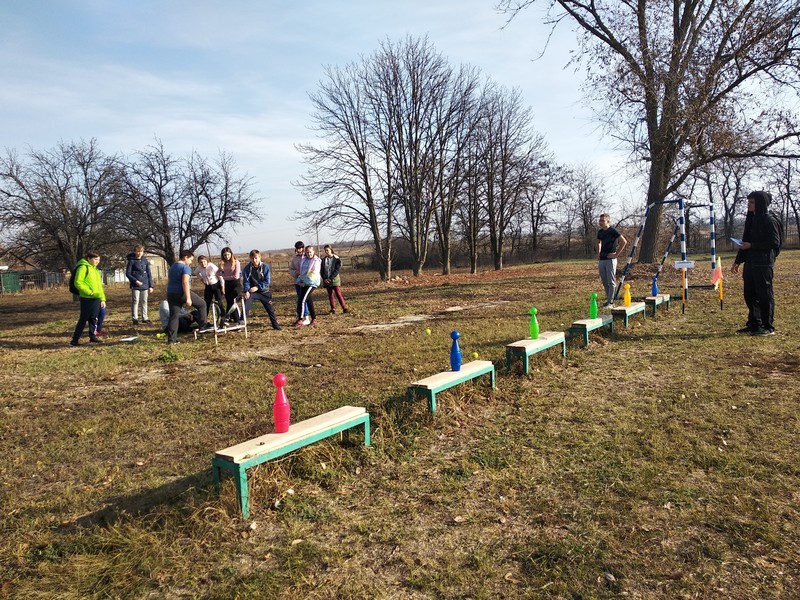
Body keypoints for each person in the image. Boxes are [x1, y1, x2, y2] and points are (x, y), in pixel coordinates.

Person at [731, 191, 781, 336]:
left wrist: (752, 245)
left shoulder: (769, 220)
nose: (749, 205)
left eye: (752, 202)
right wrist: (738, 261)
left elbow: (774, 242)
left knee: (764, 295)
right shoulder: (751, 219)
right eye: (748, 202)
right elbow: (745, 241)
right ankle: (754, 323)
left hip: (763, 263)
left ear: (760, 203)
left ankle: (767, 326)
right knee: (750, 294)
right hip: (751, 261)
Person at [166, 249, 208, 344]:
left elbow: (170, 280)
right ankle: (203, 328)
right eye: (190, 260)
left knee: (174, 316)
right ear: (185, 258)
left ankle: (171, 340)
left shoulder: (172, 267)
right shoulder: (185, 267)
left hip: (171, 293)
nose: (191, 262)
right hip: (181, 292)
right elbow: (185, 282)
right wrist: (188, 298)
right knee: (202, 304)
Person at [70, 251, 106, 346]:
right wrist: (89, 292)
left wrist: (102, 299)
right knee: (83, 319)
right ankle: (74, 340)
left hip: (97, 298)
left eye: (98, 259)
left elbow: (99, 286)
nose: (97, 261)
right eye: (95, 259)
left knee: (94, 318)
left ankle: (92, 337)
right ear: (89, 259)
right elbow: (78, 282)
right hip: (87, 298)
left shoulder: (95, 270)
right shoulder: (83, 267)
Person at [242, 249, 282, 330]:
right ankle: (242, 320)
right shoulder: (247, 268)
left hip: (264, 291)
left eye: (256, 258)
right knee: (247, 300)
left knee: (270, 309)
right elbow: (246, 281)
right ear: (250, 258)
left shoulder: (265, 267)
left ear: (259, 257)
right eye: (252, 258)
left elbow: (267, 281)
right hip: (252, 292)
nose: (254, 260)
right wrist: (246, 291)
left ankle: (275, 325)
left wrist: (258, 287)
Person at [596, 213, 628, 308]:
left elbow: (623, 241)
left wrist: (616, 254)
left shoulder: (613, 231)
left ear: (608, 221)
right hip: (602, 259)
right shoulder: (600, 232)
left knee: (611, 281)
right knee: (604, 281)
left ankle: (611, 302)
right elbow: (598, 242)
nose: (601, 222)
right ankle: (608, 300)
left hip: (610, 259)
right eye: (600, 220)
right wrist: (598, 253)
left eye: (603, 221)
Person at [125, 244, 154, 325]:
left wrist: (151, 286)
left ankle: (145, 318)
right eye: (138, 251)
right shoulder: (131, 261)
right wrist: (135, 281)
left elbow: (149, 273)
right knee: (135, 301)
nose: (139, 253)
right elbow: (128, 273)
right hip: (136, 285)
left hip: (145, 284)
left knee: (144, 301)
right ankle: (135, 319)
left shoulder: (145, 261)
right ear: (135, 252)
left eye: (141, 251)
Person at [295, 245, 321, 326]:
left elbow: (313, 274)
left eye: (310, 252)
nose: (309, 254)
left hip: (312, 283)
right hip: (303, 282)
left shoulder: (316, 261)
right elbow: (302, 272)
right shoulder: (304, 260)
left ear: (313, 252)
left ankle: (300, 319)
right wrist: (300, 281)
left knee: (303, 300)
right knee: (308, 300)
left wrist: (304, 282)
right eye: (307, 252)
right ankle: (314, 319)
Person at [320, 244, 349, 314]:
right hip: (326, 280)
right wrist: (324, 278)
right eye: (325, 250)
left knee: (338, 293)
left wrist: (330, 278)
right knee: (330, 295)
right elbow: (322, 270)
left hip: (334, 279)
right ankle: (333, 308)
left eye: (327, 250)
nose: (326, 252)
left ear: (331, 250)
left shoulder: (336, 259)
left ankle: (344, 307)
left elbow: (337, 270)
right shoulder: (323, 260)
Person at [288, 240, 310, 325]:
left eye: (300, 248)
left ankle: (306, 317)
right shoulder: (295, 259)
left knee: (304, 299)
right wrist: (295, 273)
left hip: (306, 282)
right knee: (300, 299)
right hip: (297, 282)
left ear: (303, 248)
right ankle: (301, 316)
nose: (299, 250)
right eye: (297, 248)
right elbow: (291, 269)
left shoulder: (307, 257)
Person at [218, 247, 243, 319]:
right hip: (227, 284)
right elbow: (217, 273)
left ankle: (227, 316)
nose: (227, 256)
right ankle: (235, 319)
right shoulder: (223, 263)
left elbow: (236, 276)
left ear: (231, 254)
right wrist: (224, 275)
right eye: (225, 255)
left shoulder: (236, 262)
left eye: (228, 254)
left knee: (231, 300)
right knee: (230, 302)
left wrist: (224, 276)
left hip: (236, 284)